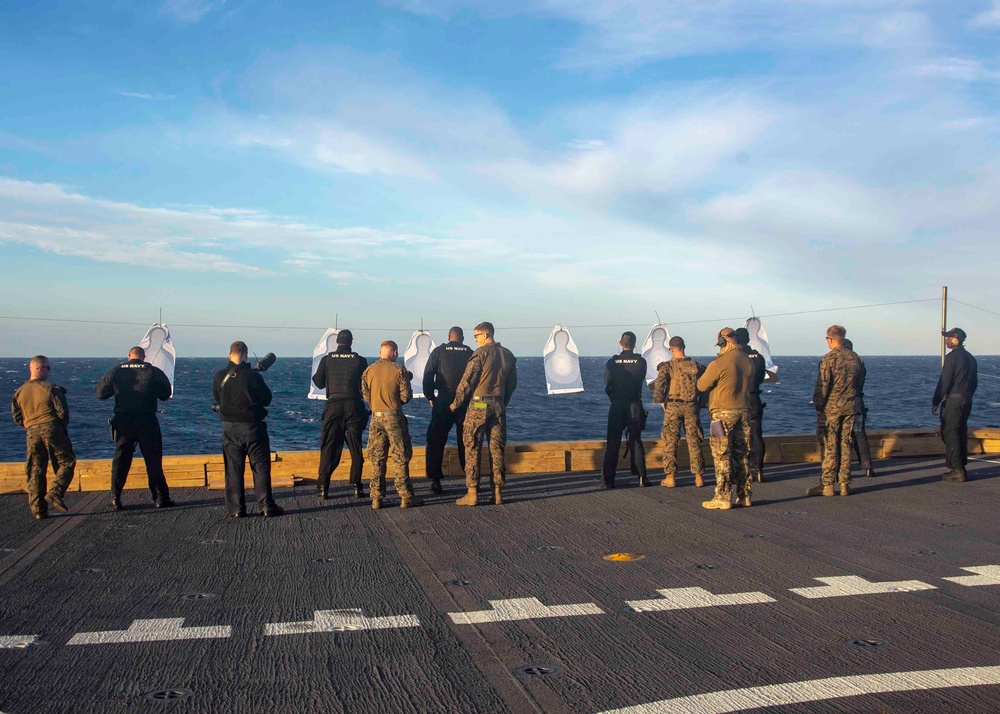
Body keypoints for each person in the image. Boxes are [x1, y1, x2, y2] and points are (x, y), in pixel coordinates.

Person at [95, 346, 174, 510]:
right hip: (147, 420)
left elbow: (100, 394)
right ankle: (160, 498)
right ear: (144, 357)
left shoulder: (116, 371)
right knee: (153, 461)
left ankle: (115, 497)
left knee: (120, 460)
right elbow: (165, 394)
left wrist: (117, 391)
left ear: (128, 356)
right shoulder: (153, 371)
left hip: (123, 421)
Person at [212, 341, 283, 518]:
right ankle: (266, 506)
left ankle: (236, 509)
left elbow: (217, 397)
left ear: (230, 355)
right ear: (246, 354)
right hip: (252, 427)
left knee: (233, 469)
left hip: (229, 428)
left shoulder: (220, 376)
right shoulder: (253, 377)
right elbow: (267, 399)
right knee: (260, 467)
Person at [450, 322, 517, 507]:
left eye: (477, 336)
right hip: (498, 404)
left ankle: (472, 493)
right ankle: (497, 492)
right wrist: (503, 402)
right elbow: (512, 384)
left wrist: (455, 404)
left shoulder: (480, 353)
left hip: (479, 403)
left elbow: (468, 381)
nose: (475, 340)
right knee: (497, 449)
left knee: (472, 447)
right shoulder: (508, 355)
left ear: (486, 335)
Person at [696, 328, 755, 509]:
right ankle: (745, 495)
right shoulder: (748, 361)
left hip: (721, 415)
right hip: (744, 412)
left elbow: (701, 385)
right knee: (742, 455)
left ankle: (722, 496)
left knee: (721, 455)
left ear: (724, 342)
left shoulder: (718, 363)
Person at [11, 356, 76, 519]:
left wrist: (31, 425)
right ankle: (56, 491)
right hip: (52, 427)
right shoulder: (51, 388)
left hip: (31, 431)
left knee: (35, 470)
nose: (49, 371)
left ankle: (38, 510)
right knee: (67, 461)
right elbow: (62, 413)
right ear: (40, 369)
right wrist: (59, 429)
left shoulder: (19, 392)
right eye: (48, 367)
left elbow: (17, 417)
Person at [361, 341, 422, 510]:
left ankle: (376, 498)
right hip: (393, 416)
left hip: (376, 417)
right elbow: (406, 396)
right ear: (394, 352)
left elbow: (365, 395)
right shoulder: (399, 370)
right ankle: (405, 496)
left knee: (377, 458)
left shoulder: (368, 371)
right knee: (401, 456)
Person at [807, 325, 864, 498]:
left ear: (830, 339)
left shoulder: (828, 359)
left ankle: (828, 485)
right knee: (846, 444)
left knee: (830, 445)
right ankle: (845, 483)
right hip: (850, 406)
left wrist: (818, 404)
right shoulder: (856, 358)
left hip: (831, 408)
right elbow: (860, 383)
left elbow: (823, 386)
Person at [312, 329, 369, 500]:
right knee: (355, 447)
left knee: (329, 447)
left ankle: (323, 486)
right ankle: (357, 486)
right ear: (351, 342)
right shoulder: (360, 361)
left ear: (337, 342)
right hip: (354, 406)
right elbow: (366, 385)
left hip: (333, 406)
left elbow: (319, 383)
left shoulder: (327, 360)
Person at [423, 326, 473, 494]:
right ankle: (470, 479)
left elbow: (428, 375)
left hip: (443, 400)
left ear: (448, 337)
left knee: (436, 439)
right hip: (465, 401)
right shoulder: (470, 352)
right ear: (463, 338)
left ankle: (435, 480)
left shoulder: (439, 351)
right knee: (466, 441)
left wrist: (430, 396)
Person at [650, 337, 705, 488]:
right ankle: (699, 477)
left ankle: (670, 476)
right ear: (684, 346)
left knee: (670, 441)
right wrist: (701, 403)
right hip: (691, 406)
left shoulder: (667, 366)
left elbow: (659, 388)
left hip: (673, 406)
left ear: (671, 349)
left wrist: (662, 403)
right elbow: (707, 384)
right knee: (694, 440)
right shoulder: (697, 366)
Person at [602, 332, 648, 489]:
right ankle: (642, 478)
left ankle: (609, 480)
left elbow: (607, 385)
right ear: (635, 344)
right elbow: (641, 380)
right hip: (635, 405)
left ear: (620, 343)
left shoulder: (612, 362)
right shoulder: (641, 362)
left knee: (612, 443)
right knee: (636, 441)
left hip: (617, 405)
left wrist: (614, 398)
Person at [933, 327, 978, 482]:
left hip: (954, 400)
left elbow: (944, 382)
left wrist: (936, 401)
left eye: (948, 338)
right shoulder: (971, 358)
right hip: (966, 400)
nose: (946, 340)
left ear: (956, 339)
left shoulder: (952, 358)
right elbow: (974, 382)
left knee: (950, 432)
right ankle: (960, 466)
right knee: (961, 432)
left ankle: (957, 469)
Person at [732, 328, 767, 482]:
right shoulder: (758, 357)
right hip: (754, 398)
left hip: (738, 399)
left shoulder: (734, 356)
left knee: (736, 435)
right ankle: (757, 468)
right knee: (756, 435)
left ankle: (739, 471)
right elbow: (760, 377)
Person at [843, 338, 876, 478]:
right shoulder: (860, 362)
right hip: (858, 401)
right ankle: (868, 466)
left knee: (842, 436)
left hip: (843, 402)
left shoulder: (838, 361)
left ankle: (844, 469)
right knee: (859, 434)